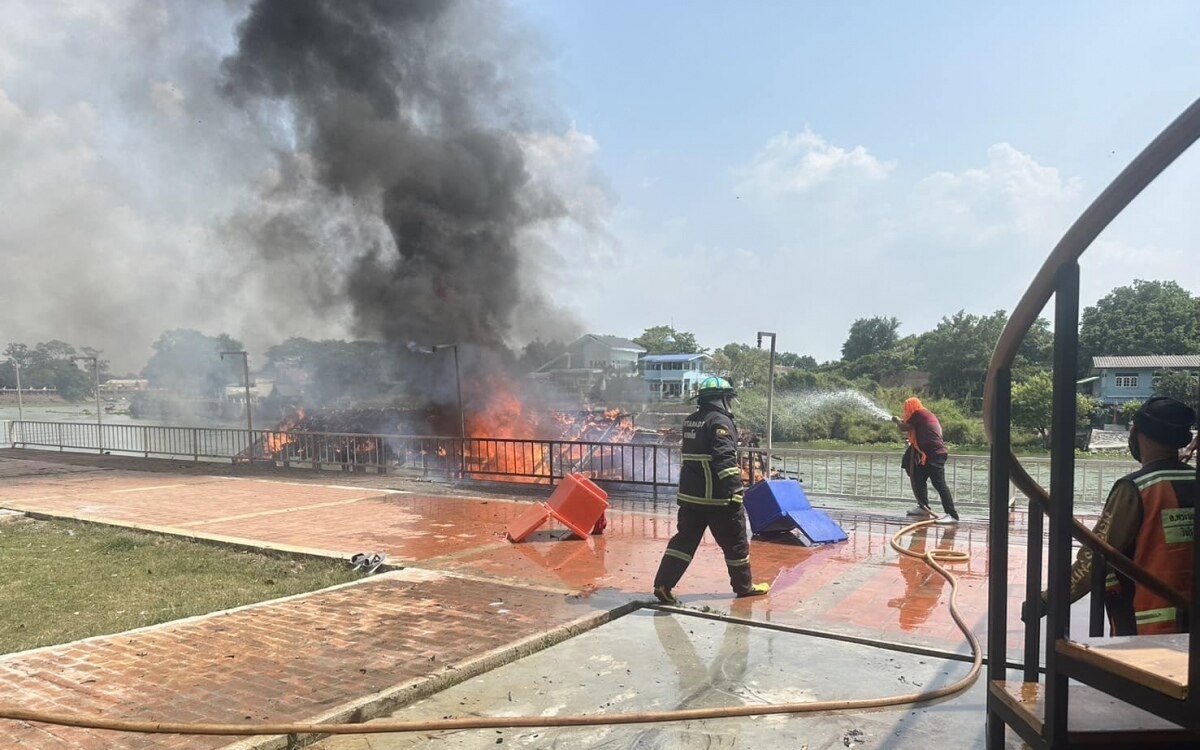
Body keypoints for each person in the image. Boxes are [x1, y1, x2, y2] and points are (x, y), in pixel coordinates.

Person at [1027, 396, 1197, 636]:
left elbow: (1096, 554)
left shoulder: (1137, 488)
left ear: (1139, 433)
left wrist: (1047, 600)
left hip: (1146, 632)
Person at [653, 376, 771, 605]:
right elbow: (725, 459)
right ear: (722, 399)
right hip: (718, 499)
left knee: (683, 542)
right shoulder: (720, 422)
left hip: (690, 498)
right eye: (728, 399)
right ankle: (744, 587)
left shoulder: (691, 421)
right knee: (736, 543)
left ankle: (663, 585)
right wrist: (736, 490)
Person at [893, 397, 960, 523]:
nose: (906, 411)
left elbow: (904, 427)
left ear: (911, 407)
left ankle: (952, 515)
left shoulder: (918, 413)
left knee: (939, 484)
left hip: (935, 455)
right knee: (918, 476)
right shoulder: (923, 415)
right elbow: (911, 426)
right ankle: (923, 507)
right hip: (928, 455)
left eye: (907, 408)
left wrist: (896, 420)